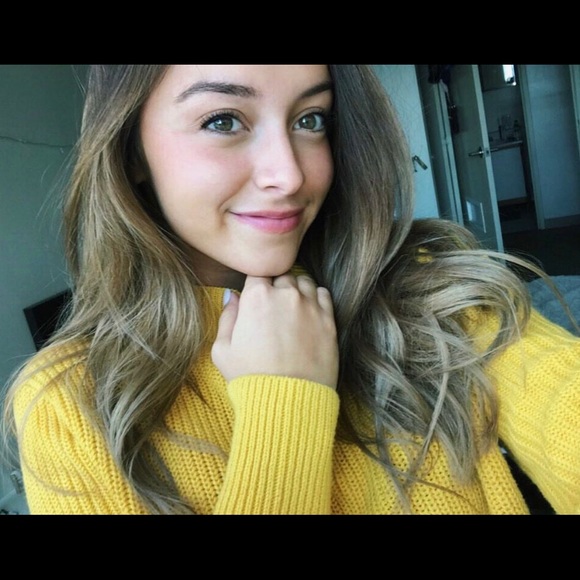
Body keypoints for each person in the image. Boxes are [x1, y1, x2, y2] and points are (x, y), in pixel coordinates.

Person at [2, 65, 579, 515]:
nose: (291, 174)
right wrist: (284, 404)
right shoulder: (67, 405)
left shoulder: (426, 290)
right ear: (132, 150)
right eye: (223, 120)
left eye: (310, 119)